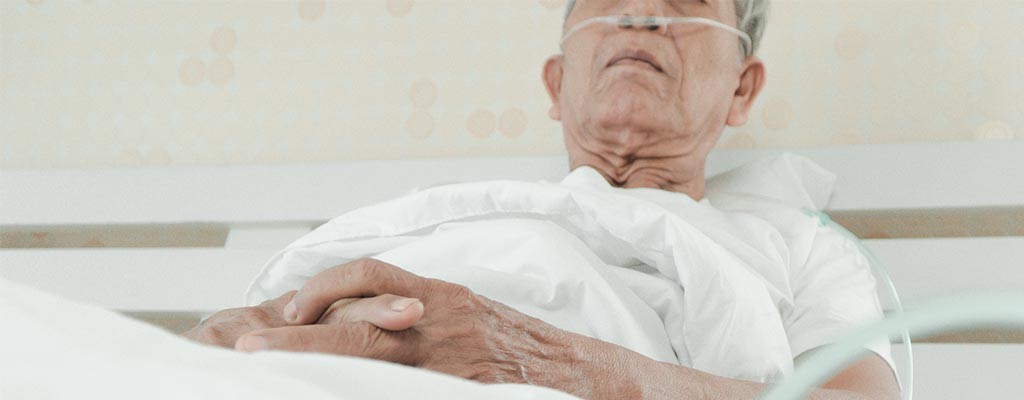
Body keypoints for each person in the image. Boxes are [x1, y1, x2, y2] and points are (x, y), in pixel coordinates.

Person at [182, 1, 899, 398]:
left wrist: (548, 360)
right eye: (609, 0)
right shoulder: (460, 217)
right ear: (557, 85)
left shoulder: (799, 246)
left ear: (743, 87)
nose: (642, 13)